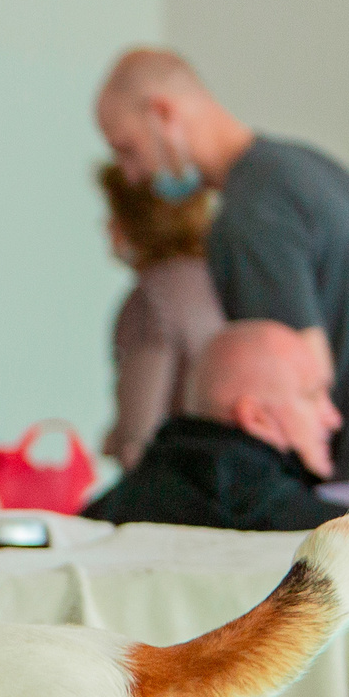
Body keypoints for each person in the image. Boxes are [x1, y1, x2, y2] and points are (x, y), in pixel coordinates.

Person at [94, 48, 349, 481]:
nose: (131, 174)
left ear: (163, 113)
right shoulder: (300, 168)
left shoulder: (251, 215)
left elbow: (301, 379)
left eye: (127, 149)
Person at [84, 319, 349, 531]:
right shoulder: (327, 534)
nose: (333, 418)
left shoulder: (96, 521)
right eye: (313, 395)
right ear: (255, 417)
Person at [95, 162, 226, 470]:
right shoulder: (217, 280)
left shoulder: (152, 299)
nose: (104, 226)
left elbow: (138, 436)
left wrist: (119, 443)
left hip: (177, 480)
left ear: (135, 220)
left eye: (112, 213)